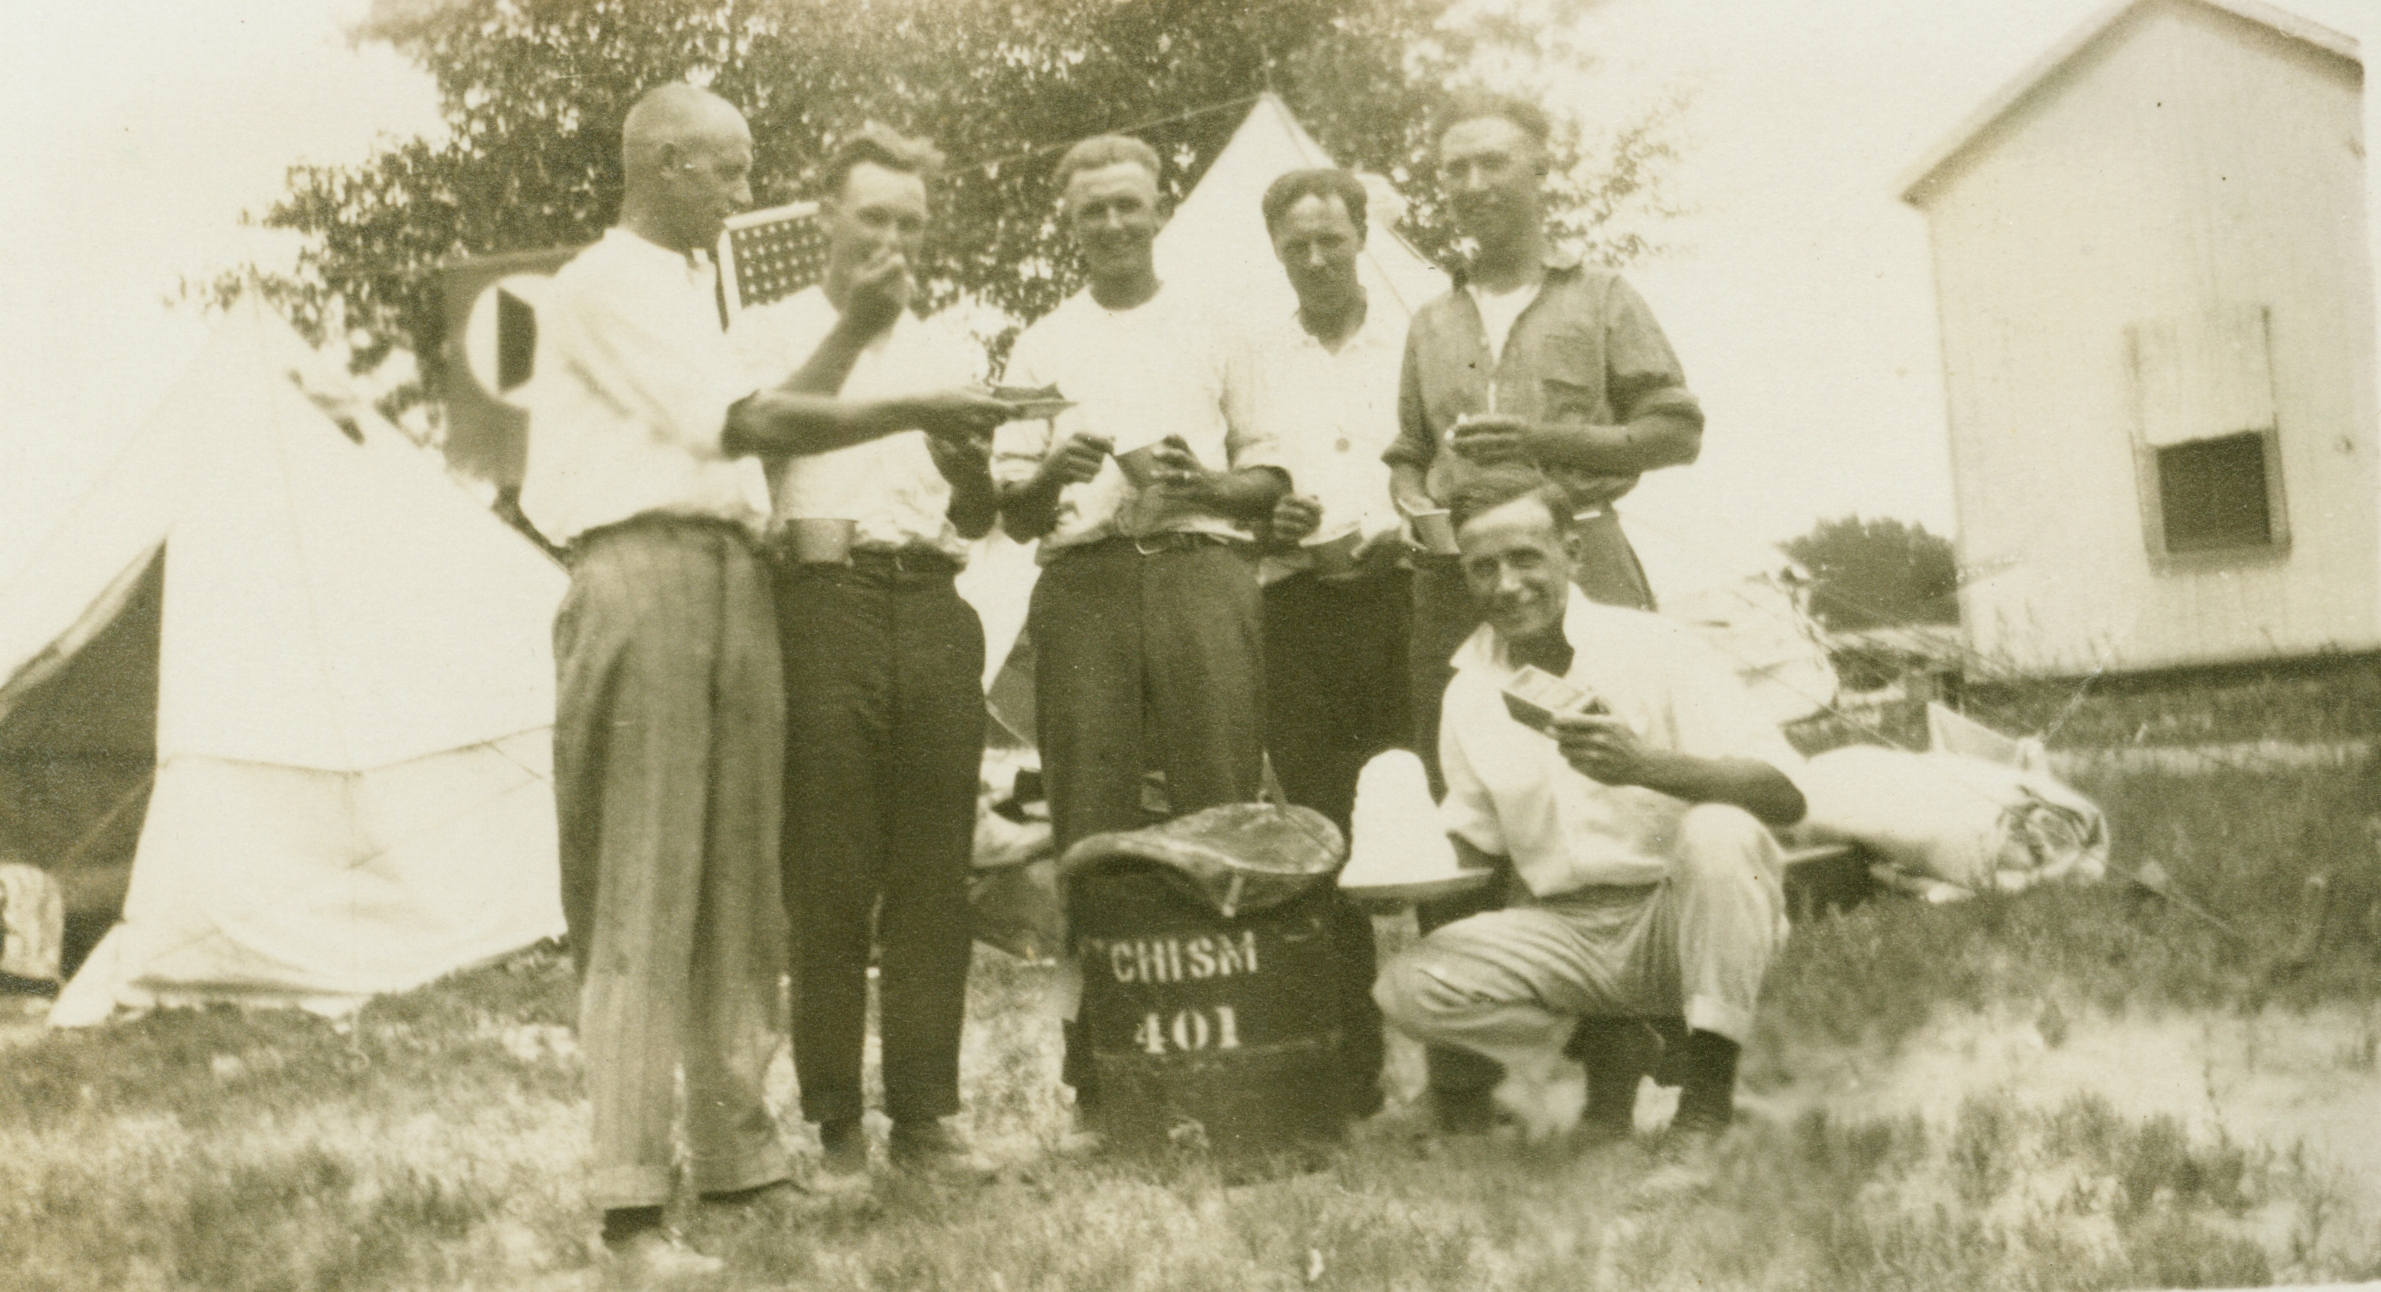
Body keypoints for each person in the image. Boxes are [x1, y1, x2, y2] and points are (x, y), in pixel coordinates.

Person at [519, 84, 1008, 1276]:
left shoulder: (690, 283)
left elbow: (772, 412)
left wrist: (880, 355)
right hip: (641, 568)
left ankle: (742, 1169)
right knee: (643, 897)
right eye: (730, 172)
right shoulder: (604, 280)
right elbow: (745, 425)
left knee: (741, 901)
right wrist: (918, 397)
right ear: (667, 162)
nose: (746, 196)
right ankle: (633, 1210)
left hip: (738, 574)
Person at [1381, 91, 1705, 1131]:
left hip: (1579, 560)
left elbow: (1674, 427)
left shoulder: (1600, 294)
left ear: (1537, 170)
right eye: (1453, 169)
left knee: (1603, 792)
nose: (1471, 186)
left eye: (1492, 163)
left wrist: (1545, 440)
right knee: (1466, 802)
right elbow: (1401, 450)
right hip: (1455, 577)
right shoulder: (1428, 320)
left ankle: (1619, 1075)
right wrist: (1418, 498)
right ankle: (1466, 1084)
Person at [1370, 467, 1805, 1148]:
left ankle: (1705, 1098)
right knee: (1409, 986)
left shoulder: (1655, 647)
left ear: (1572, 555)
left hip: (1678, 916)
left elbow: (1785, 792)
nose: (1506, 586)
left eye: (1525, 559)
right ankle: (1607, 1046)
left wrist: (1644, 766)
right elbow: (1474, 843)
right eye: (1482, 569)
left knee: (1719, 831)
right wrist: (1394, 872)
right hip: (1566, 931)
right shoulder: (1469, 689)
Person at [991, 134, 1289, 1111]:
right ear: (1070, 225)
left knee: (1220, 800)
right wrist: (1048, 475)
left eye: (1129, 204)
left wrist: (1208, 483)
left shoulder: (1217, 322)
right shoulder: (1041, 342)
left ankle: (1234, 1053)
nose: (1113, 224)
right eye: (1093, 211)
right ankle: (1106, 1065)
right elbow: (1015, 511)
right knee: (1091, 817)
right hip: (1084, 582)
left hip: (1203, 565)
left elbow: (1269, 474)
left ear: (1159, 208)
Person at [728, 126, 998, 1187]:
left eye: (909, 221)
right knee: (829, 869)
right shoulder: (765, 330)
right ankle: (835, 1119)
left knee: (936, 869)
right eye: (872, 215)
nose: (891, 237)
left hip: (930, 597)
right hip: (819, 600)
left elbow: (979, 516)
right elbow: (766, 438)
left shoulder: (948, 346)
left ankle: (927, 1112)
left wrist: (969, 466)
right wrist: (856, 328)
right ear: (822, 218)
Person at [1243, 168, 1406, 1117]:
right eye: (1295, 245)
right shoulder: (1256, 356)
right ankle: (1352, 1067)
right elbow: (1241, 472)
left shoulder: (1418, 338)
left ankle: (1469, 1065)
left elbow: (1444, 457)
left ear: (1361, 236)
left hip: (1401, 599)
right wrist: (1271, 511)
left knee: (1439, 815)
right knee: (1323, 826)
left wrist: (1402, 520)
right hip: (1298, 611)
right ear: (1276, 251)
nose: (1313, 259)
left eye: (1330, 241)